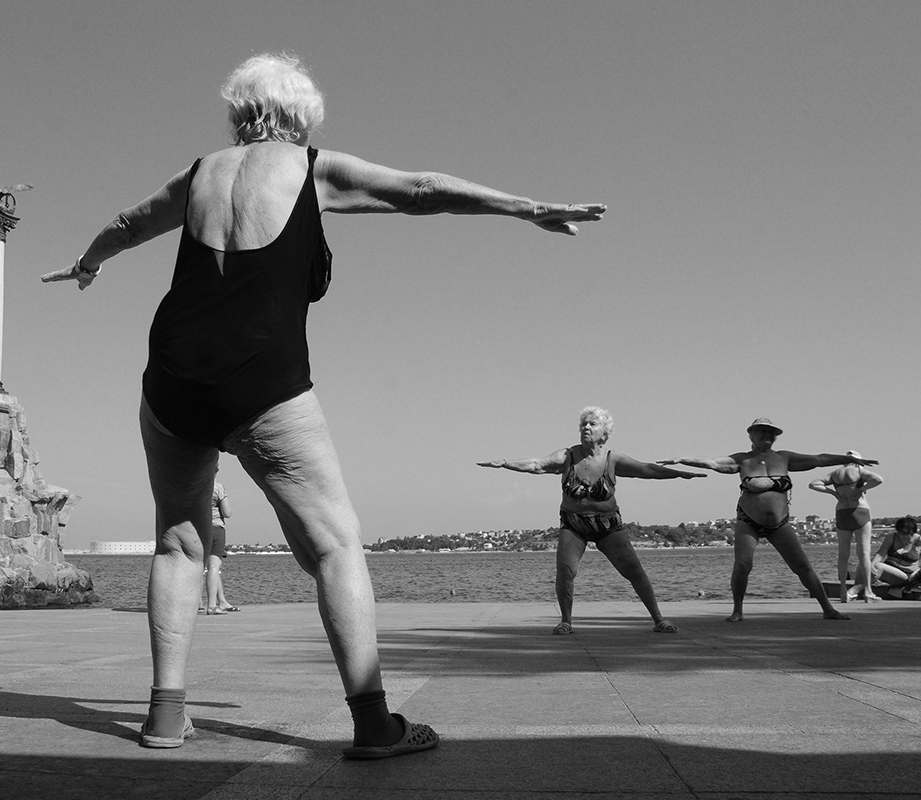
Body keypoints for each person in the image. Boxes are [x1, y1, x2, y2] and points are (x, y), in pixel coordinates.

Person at [42, 52, 605, 757]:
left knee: (178, 543)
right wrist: (526, 208)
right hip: (264, 380)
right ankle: (374, 723)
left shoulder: (197, 175)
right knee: (337, 546)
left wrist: (88, 263)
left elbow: (127, 223)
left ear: (238, 111)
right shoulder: (312, 168)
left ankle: (164, 717)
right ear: (302, 112)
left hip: (171, 375)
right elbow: (421, 188)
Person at [477, 406, 704, 634]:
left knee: (633, 570)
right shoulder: (568, 455)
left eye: (592, 424)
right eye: (583, 424)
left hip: (608, 525)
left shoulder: (611, 458)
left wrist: (679, 474)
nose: (586, 427)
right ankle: (566, 621)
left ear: (604, 432)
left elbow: (645, 469)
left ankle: (658, 619)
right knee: (565, 571)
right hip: (573, 524)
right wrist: (506, 463)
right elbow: (537, 464)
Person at [660, 418, 876, 622]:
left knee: (802, 565)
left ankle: (828, 609)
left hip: (779, 523)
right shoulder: (742, 459)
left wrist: (849, 459)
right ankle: (737, 610)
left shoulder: (784, 457)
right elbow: (713, 462)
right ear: (751, 435)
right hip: (748, 521)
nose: (767, 435)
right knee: (743, 565)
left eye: (771, 432)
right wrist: (682, 459)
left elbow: (819, 459)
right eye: (762, 431)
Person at [808, 454, 884, 602]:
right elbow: (878, 479)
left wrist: (832, 492)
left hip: (842, 512)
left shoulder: (835, 474)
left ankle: (843, 590)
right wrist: (861, 488)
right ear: (858, 461)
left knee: (843, 555)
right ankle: (868, 591)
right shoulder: (859, 472)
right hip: (859, 510)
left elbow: (812, 484)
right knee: (864, 554)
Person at [202, 472, 239, 614]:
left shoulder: (194, 486)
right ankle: (212, 606)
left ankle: (221, 601)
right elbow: (227, 512)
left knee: (203, 567)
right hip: (215, 528)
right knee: (213, 567)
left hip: (198, 529)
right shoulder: (217, 488)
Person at [871, 516, 921, 588]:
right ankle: (864, 587)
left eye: (909, 534)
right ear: (897, 531)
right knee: (865, 565)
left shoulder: (920, 541)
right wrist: (871, 565)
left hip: (907, 575)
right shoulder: (891, 537)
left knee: (878, 566)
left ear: (913, 532)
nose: (905, 536)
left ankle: (861, 588)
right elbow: (880, 554)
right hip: (889, 571)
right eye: (901, 533)